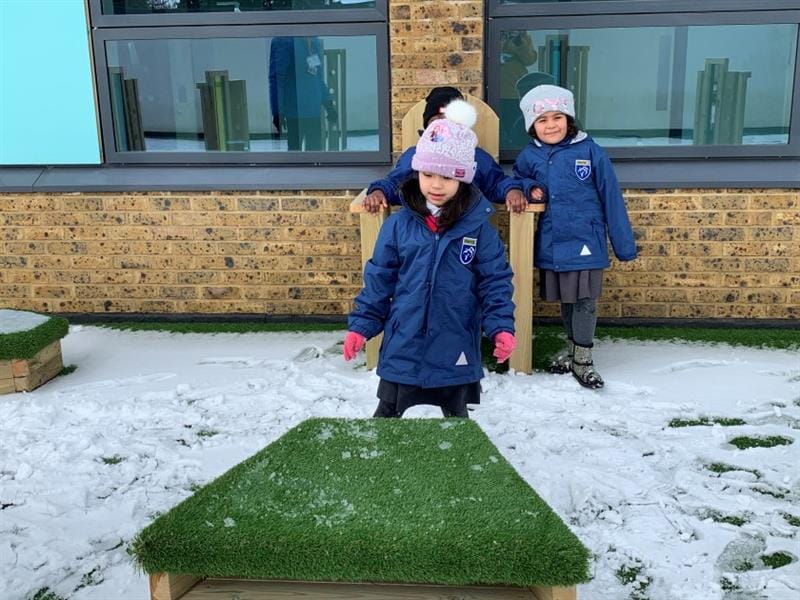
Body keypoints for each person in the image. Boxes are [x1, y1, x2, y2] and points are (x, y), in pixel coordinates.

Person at [343, 100, 517, 418]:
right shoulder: (398, 226)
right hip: (404, 341)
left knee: (455, 416)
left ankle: (460, 463)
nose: (436, 185)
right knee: (388, 413)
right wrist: (362, 326)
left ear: (463, 180)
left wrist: (500, 327)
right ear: (418, 172)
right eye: (428, 174)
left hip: (455, 338)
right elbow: (379, 280)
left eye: (448, 178)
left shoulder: (478, 230)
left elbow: (495, 282)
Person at [513, 84, 637, 389]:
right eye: (542, 120)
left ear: (569, 119)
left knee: (584, 300)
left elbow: (611, 197)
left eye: (558, 117)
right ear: (532, 126)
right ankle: (572, 350)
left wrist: (623, 246)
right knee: (566, 300)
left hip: (586, 240)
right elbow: (517, 179)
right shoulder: (530, 156)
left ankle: (584, 358)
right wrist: (528, 188)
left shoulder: (591, 151)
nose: (551, 125)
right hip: (554, 243)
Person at [362, 86, 531, 214]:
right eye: (438, 121)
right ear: (427, 126)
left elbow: (496, 183)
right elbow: (395, 183)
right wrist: (379, 191)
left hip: (467, 228)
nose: (446, 126)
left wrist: (512, 190)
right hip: (422, 229)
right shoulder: (416, 156)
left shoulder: (477, 157)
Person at [268, 35, 337, 151]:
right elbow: (277, 79)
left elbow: (318, 78)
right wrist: (277, 112)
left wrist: (328, 104)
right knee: (296, 158)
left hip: (313, 112)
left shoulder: (314, 41)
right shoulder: (284, 41)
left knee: (315, 156)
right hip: (294, 112)